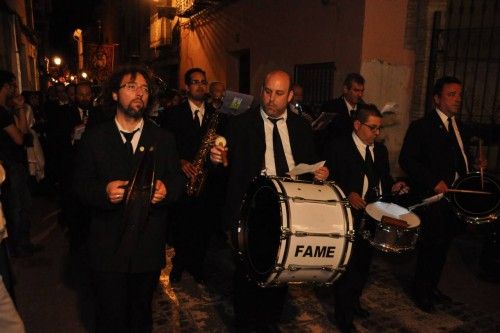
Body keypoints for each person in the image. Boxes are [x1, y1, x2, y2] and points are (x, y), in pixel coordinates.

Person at [210, 69, 329, 331]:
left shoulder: (301, 127)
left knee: (281, 270)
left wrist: (318, 173)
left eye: (278, 94)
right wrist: (218, 160)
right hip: (250, 211)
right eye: (267, 91)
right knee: (247, 274)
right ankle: (245, 323)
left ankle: (270, 320)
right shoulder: (241, 124)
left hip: (289, 212)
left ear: (289, 96)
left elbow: (309, 166)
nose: (271, 99)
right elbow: (224, 170)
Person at [73, 66, 183, 332]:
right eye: (131, 87)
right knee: (110, 317)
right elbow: (78, 187)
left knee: (140, 315)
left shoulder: (163, 138)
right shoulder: (95, 138)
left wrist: (166, 190)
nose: (140, 93)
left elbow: (179, 182)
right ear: (114, 94)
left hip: (147, 247)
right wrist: (103, 192)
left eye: (145, 89)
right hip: (107, 248)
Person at [399, 76, 480, 313]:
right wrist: (433, 181)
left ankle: (432, 287)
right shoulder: (422, 126)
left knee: (444, 246)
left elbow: (459, 158)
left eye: (459, 95)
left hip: (454, 199)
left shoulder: (459, 126)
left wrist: (474, 166)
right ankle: (420, 291)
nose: (457, 99)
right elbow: (407, 160)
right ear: (437, 98)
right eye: (451, 95)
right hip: (432, 199)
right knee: (430, 246)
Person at [324, 104, 408, 332]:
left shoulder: (379, 151)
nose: (377, 133)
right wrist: (347, 193)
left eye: (379, 128)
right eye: (372, 128)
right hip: (347, 216)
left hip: (372, 214)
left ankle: (354, 302)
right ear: (358, 125)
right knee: (348, 267)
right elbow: (326, 181)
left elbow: (383, 179)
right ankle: (344, 317)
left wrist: (395, 185)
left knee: (364, 264)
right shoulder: (338, 147)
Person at [162, 68, 227, 284]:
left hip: (208, 180)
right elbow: (165, 147)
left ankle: (198, 265)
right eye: (195, 82)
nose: (200, 86)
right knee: (181, 225)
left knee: (203, 226)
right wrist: (180, 161)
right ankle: (179, 264)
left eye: (203, 82)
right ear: (187, 87)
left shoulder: (215, 114)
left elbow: (222, 142)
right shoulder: (172, 114)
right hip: (182, 178)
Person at [0, 70, 39, 258]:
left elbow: (24, 131)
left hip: (17, 163)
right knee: (17, 206)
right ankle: (18, 246)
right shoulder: (0, 112)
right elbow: (18, 138)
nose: (15, 90)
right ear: (5, 86)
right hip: (10, 165)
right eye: (12, 86)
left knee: (23, 204)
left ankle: (23, 243)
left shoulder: (8, 110)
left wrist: (21, 108)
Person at [319, 73, 366, 143]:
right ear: (345, 89)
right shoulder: (331, 107)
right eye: (356, 90)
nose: (360, 95)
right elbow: (323, 135)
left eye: (362, 91)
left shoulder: (364, 109)